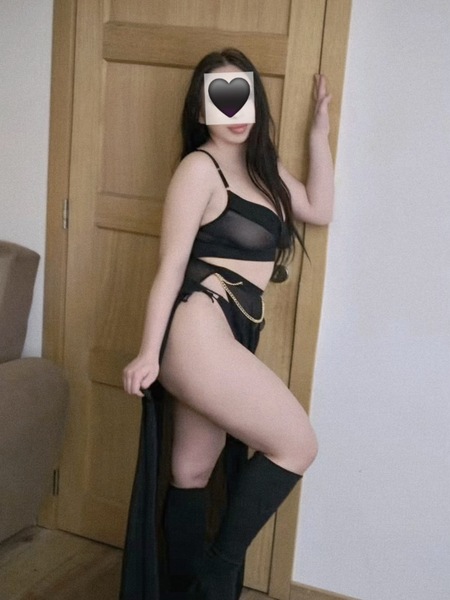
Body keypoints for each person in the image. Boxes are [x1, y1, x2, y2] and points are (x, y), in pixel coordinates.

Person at [120, 48, 334, 600]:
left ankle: (185, 590)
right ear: (201, 110)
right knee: (298, 445)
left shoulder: (263, 167)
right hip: (199, 327)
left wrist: (319, 132)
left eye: (243, 95)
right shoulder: (199, 169)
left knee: (192, 474)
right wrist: (147, 352)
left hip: (230, 331)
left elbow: (318, 209)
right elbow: (170, 268)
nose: (235, 111)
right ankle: (215, 578)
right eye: (221, 98)